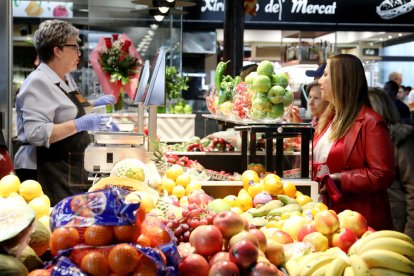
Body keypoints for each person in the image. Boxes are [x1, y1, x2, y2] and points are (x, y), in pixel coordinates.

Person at [14, 20, 119, 205]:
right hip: (46, 170)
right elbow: (36, 133)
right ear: (57, 50)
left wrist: (95, 104)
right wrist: (81, 124)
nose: (79, 53)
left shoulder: (65, 77)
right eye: (74, 47)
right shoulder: (38, 82)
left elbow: (72, 106)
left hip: (67, 166)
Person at [314, 54, 395, 230]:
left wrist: (340, 178)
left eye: (326, 75)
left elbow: (382, 174)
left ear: (341, 80)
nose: (320, 81)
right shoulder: (329, 119)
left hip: (358, 220)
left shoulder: (370, 122)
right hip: (328, 213)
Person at [368, 87, 414, 239]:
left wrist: (409, 235)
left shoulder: (399, 139)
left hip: (396, 221)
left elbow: (412, 189)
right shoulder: (364, 139)